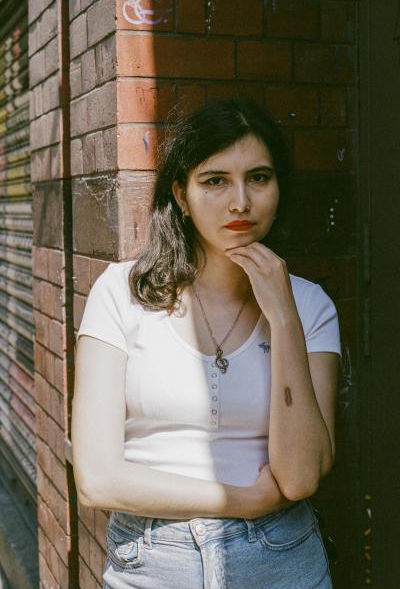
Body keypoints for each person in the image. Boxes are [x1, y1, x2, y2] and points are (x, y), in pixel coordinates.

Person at [71, 97, 341, 589]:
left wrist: (282, 317)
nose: (240, 201)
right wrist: (241, 499)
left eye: (259, 177)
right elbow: (96, 478)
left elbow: (300, 478)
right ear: (180, 193)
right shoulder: (120, 292)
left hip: (280, 556)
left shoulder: (311, 305)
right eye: (215, 180)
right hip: (152, 562)